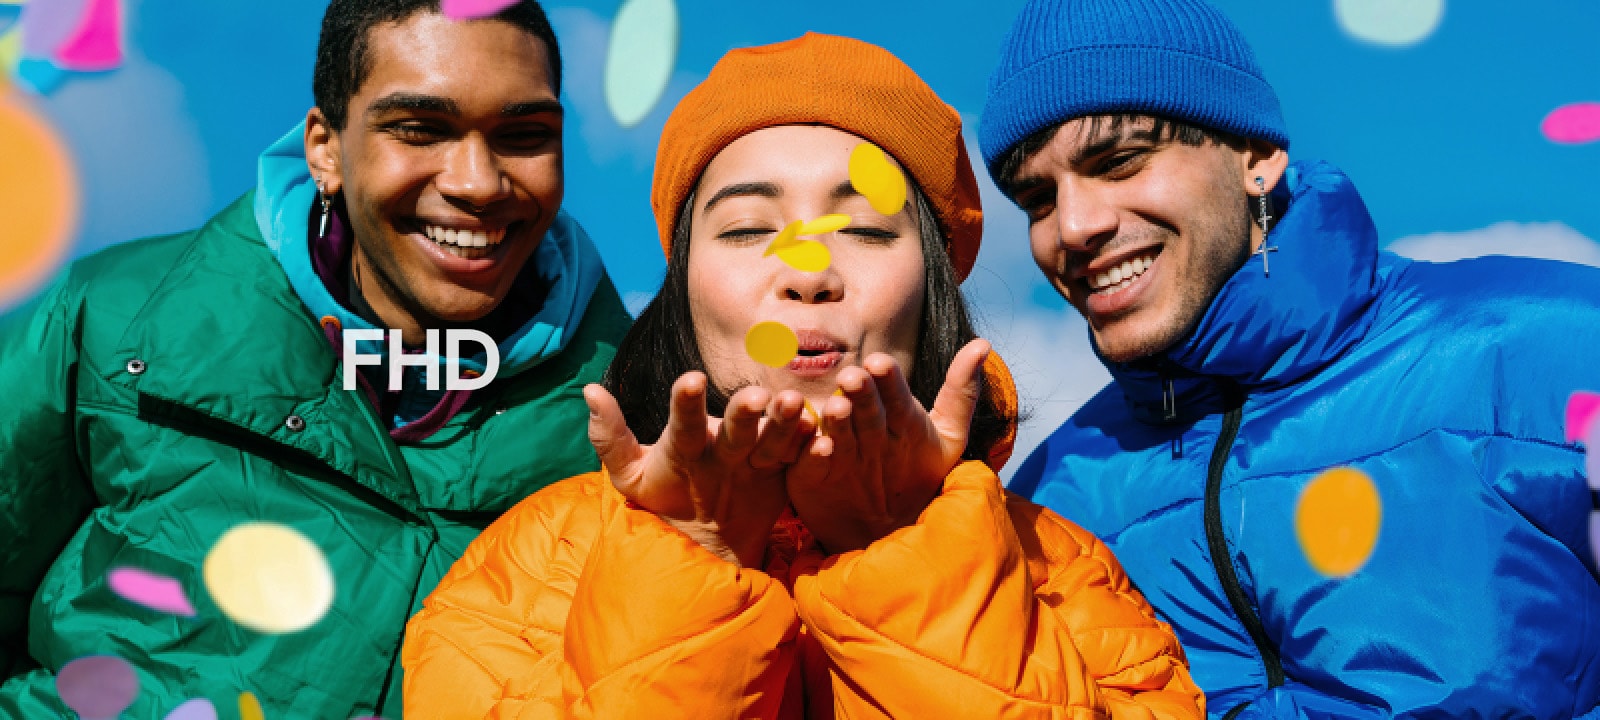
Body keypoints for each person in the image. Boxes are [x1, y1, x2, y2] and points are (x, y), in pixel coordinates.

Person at [402, 33, 1205, 719]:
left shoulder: (1065, 574)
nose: (807, 271)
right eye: (749, 228)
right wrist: (692, 557)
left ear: (931, 290)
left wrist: (902, 554)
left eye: (860, 227)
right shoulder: (518, 579)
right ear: (682, 291)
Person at [0, 1, 630, 716]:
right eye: (421, 129)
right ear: (325, 148)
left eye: (524, 135)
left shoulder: (638, 423)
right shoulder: (110, 317)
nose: (478, 182)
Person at [979, 0, 1600, 717]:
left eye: (1119, 163)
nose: (1075, 226)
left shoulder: (1548, 352)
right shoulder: (1050, 503)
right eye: (1037, 200)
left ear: (1256, 157)